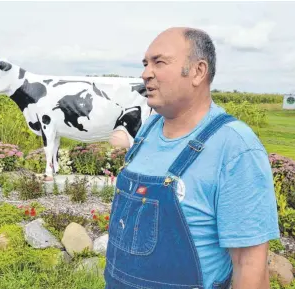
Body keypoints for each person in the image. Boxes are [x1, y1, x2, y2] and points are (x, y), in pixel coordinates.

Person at [105, 27, 279, 289]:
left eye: (159, 62)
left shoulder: (235, 148)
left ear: (198, 71)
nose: (145, 73)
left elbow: (249, 265)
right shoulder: (148, 131)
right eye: (145, 63)